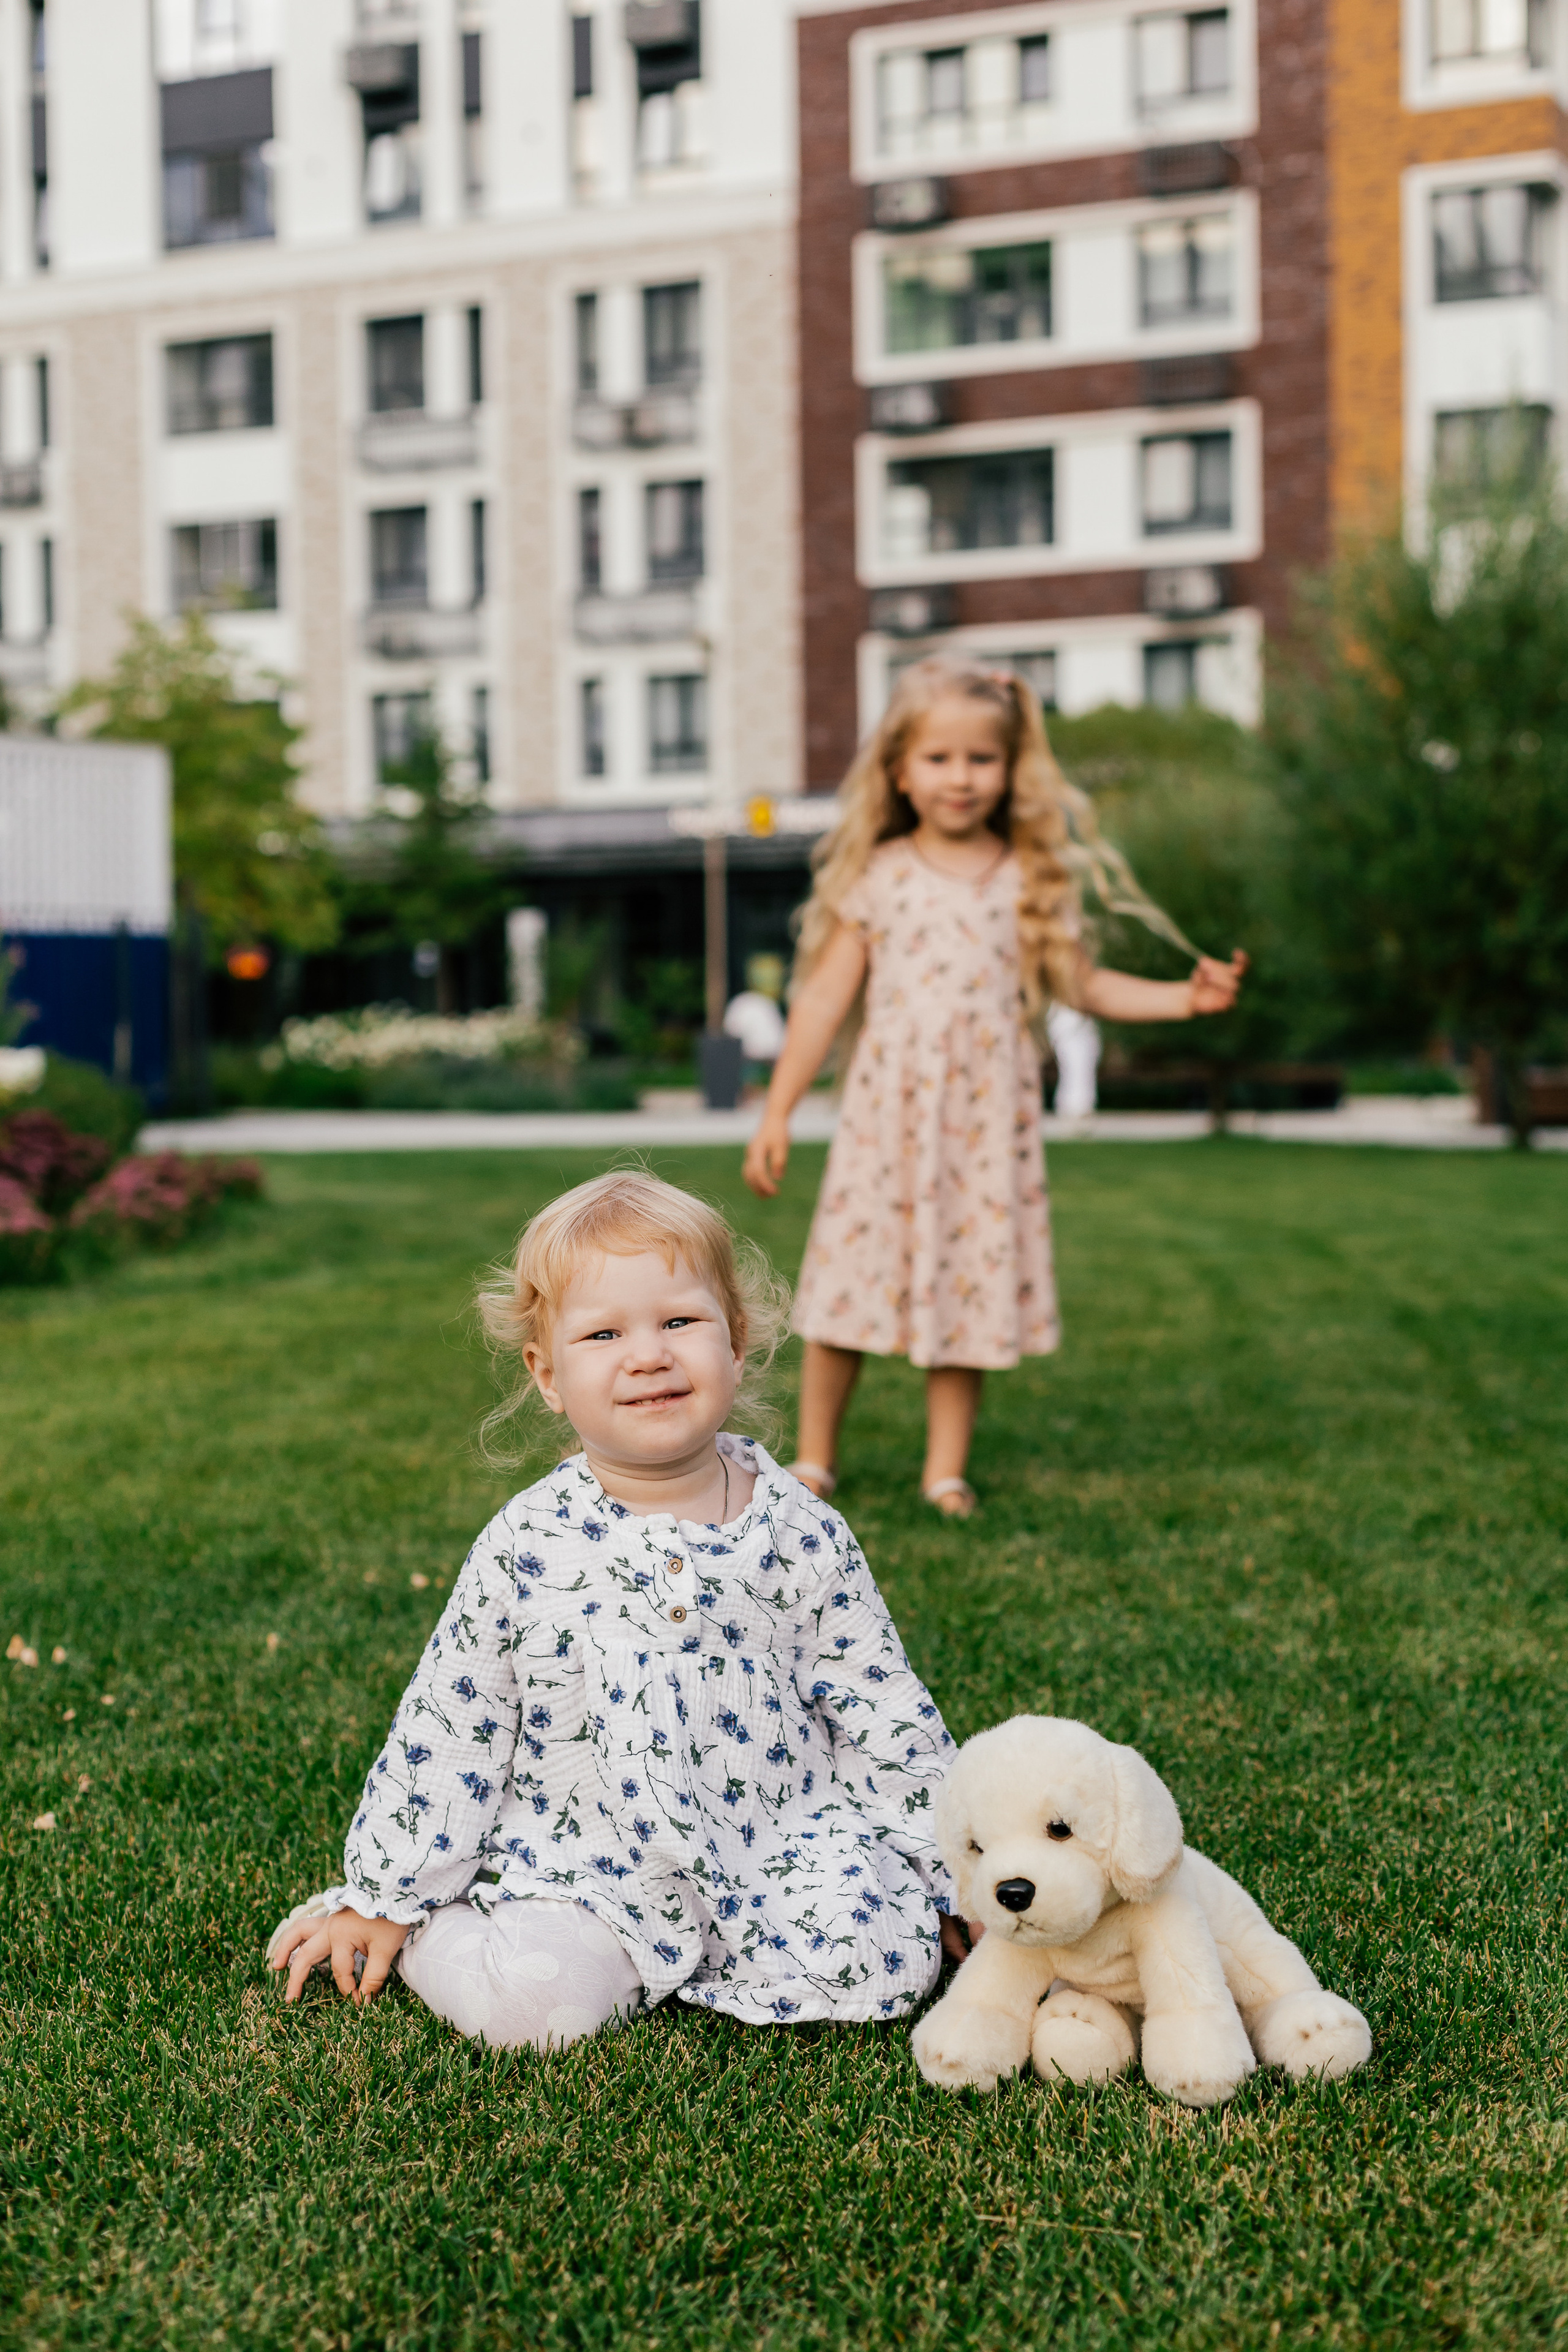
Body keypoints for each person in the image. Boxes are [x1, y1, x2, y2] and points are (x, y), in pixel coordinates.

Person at [266, 1170, 964, 2049]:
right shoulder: (529, 1544)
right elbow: (455, 1718)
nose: (649, 1354)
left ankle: (799, 1936)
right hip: (591, 1866)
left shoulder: (799, 1532)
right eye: (604, 1334)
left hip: (775, 1847)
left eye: (680, 1321)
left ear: (737, 1342)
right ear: (549, 1376)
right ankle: (436, 1933)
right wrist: (386, 1896)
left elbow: (883, 1709)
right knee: (532, 2014)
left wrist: (946, 1879)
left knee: (889, 1962)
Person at [743, 657, 1245, 1519]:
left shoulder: (1027, 879)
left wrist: (1181, 999)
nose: (960, 777)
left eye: (981, 758)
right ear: (900, 770)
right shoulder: (883, 876)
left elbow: (1084, 985)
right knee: (846, 1291)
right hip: (886, 1121)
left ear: (1011, 769)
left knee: (965, 1288)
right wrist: (778, 1108)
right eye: (939, 759)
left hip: (983, 1127)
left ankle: (946, 1469)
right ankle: (817, 1458)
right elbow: (825, 998)